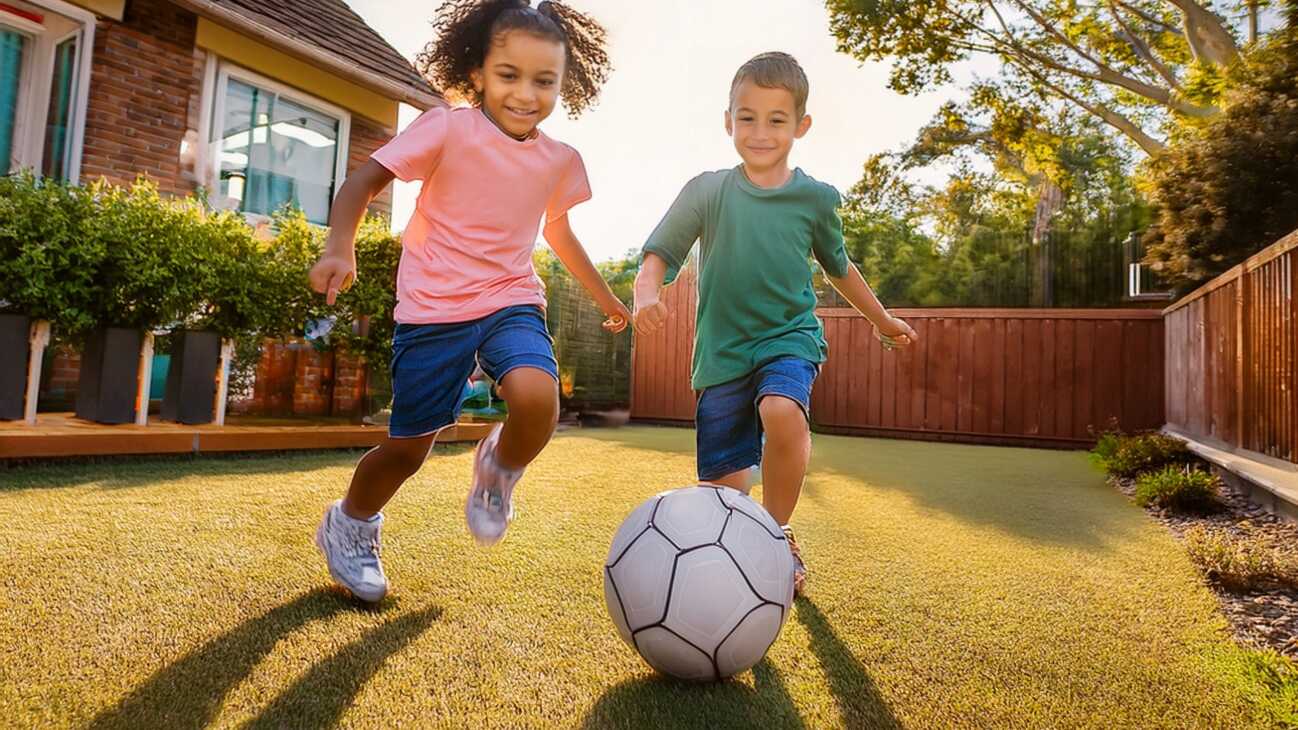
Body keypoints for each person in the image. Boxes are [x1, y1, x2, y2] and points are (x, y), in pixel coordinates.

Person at [309, 0, 629, 603]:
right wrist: (339, 247)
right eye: (509, 75)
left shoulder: (560, 160)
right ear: (477, 72)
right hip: (434, 310)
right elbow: (363, 182)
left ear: (565, 84)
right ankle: (350, 522)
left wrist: (606, 295)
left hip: (510, 300)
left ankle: (499, 469)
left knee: (537, 397)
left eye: (545, 81)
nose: (526, 94)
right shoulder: (448, 126)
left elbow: (558, 234)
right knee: (407, 451)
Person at [633, 52, 918, 596]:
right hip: (720, 354)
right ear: (727, 121)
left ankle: (778, 533)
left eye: (776, 119)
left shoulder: (814, 198)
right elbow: (659, 254)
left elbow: (841, 268)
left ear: (801, 126)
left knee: (781, 407)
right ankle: (740, 556)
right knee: (725, 498)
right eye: (747, 117)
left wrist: (881, 319)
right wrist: (647, 294)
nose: (759, 132)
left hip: (790, 338)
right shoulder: (707, 191)